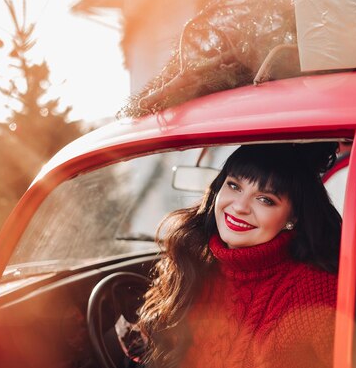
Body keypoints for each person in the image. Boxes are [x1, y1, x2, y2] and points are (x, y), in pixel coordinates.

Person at [139, 142, 342, 368]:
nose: (240, 206)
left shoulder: (315, 289)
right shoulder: (193, 262)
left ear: (292, 217)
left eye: (265, 199)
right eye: (234, 186)